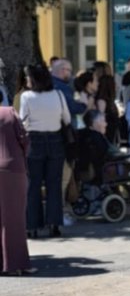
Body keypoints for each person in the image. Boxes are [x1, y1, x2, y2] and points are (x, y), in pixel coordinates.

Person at [19, 63, 71, 238]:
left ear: (34, 79)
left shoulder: (27, 97)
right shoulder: (57, 94)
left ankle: (32, 226)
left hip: (34, 141)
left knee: (33, 185)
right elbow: (67, 118)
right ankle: (54, 224)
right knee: (54, 185)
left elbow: (23, 122)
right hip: (56, 140)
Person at [0, 105, 34, 274]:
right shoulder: (9, 112)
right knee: (14, 219)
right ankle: (16, 264)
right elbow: (24, 138)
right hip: (12, 167)